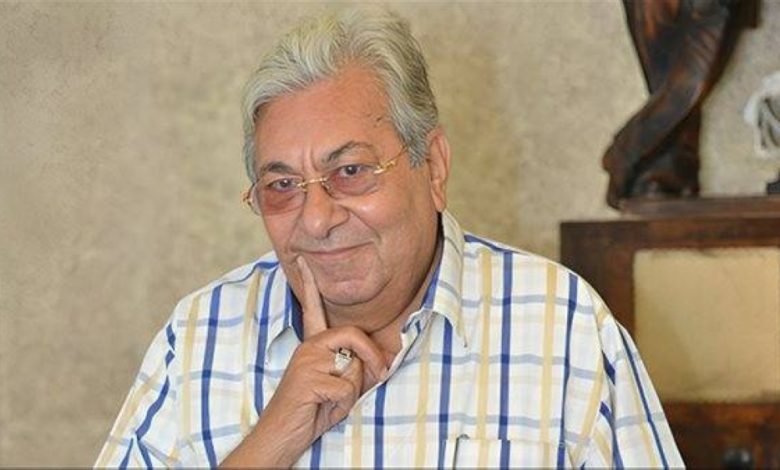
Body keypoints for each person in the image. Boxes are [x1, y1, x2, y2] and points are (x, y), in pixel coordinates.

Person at [96, 8, 682, 468]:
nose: (317, 219)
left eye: (351, 171)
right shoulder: (198, 337)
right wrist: (272, 440)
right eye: (282, 185)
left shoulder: (563, 327)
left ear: (433, 165)